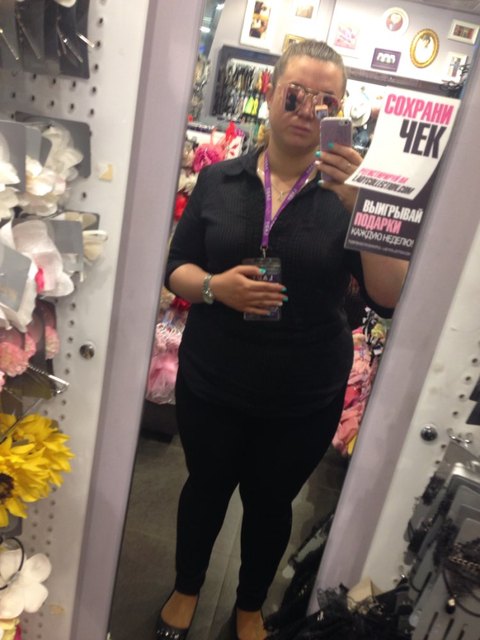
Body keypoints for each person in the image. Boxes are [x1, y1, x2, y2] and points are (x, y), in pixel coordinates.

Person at [155, 40, 408, 640]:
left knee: (271, 507)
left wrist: (363, 207)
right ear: (270, 94)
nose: (308, 109)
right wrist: (215, 288)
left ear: (342, 112)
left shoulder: (353, 197)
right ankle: (187, 586)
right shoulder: (218, 179)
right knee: (205, 489)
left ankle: (249, 604)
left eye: (327, 101)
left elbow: (388, 297)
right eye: (296, 93)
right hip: (214, 380)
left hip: (304, 395)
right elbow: (176, 266)